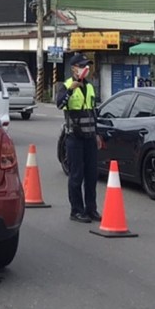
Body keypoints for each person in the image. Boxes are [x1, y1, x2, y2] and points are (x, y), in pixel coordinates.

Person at [56, 53, 100, 223]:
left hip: (89, 137)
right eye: (82, 66)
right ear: (74, 68)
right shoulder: (66, 85)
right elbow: (59, 104)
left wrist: (97, 134)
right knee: (76, 175)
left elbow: (93, 112)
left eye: (86, 65)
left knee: (91, 175)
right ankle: (76, 210)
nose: (85, 69)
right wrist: (70, 89)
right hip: (74, 138)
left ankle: (91, 209)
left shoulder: (89, 87)